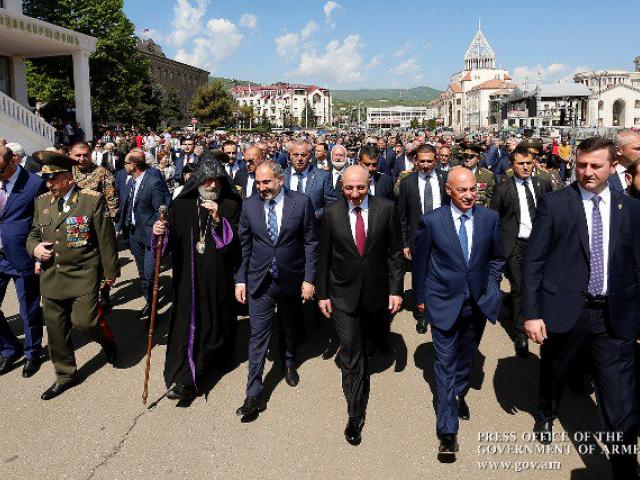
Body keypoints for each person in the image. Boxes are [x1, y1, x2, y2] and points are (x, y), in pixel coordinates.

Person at [522, 137, 640, 478]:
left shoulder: (629, 208)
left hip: (613, 315)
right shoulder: (556, 204)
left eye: (596, 166)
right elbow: (534, 261)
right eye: (582, 165)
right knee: (555, 370)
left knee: (618, 396)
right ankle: (546, 413)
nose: (587, 172)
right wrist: (532, 313)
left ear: (613, 167)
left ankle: (624, 468)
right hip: (565, 309)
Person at [412, 167, 505, 460]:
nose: (468, 195)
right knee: (445, 364)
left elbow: (496, 258)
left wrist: (491, 286)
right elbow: (421, 264)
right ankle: (447, 430)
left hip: (477, 304)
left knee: (466, 359)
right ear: (449, 190)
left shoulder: (489, 219)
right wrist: (421, 299)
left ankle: (458, 392)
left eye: (472, 190)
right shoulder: (432, 222)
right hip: (443, 303)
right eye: (461, 190)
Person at [317, 165, 403, 446]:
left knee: (366, 344)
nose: (354, 194)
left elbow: (393, 254)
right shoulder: (331, 214)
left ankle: (364, 357)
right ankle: (355, 413)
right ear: (341, 187)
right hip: (342, 294)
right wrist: (323, 294)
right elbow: (324, 257)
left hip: (376, 293)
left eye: (360, 188)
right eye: (348, 188)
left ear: (369, 185)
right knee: (352, 351)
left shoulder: (387, 209)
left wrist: (395, 290)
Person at [26, 151, 119, 400]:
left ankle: (107, 342)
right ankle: (66, 375)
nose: (49, 184)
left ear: (68, 177)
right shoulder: (42, 202)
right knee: (56, 330)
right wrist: (34, 248)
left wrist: (110, 273)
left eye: (54, 179)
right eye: (47, 179)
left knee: (85, 322)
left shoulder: (91, 200)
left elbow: (105, 239)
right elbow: (34, 233)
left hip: (83, 274)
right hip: (52, 276)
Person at [153, 152, 242, 401]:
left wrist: (217, 220)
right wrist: (160, 232)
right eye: (207, 180)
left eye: (217, 180)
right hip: (188, 279)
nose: (212, 184)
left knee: (216, 324)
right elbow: (167, 244)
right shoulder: (181, 205)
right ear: (197, 180)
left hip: (218, 279)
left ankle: (217, 357)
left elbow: (234, 244)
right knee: (187, 327)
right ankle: (186, 379)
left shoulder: (230, 205)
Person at [235, 161, 318, 418]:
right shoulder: (249, 205)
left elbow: (311, 243)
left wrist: (309, 279)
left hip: (291, 278)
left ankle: (289, 362)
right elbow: (244, 246)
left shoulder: (301, 203)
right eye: (258, 183)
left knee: (289, 325)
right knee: (258, 335)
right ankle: (254, 392)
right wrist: (240, 279)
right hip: (260, 280)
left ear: (280, 179)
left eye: (266, 182)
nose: (261, 187)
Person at [490, 145, 552, 357]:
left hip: (539, 245)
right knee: (519, 288)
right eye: (521, 163)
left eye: (529, 163)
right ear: (512, 165)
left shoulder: (543, 185)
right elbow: (494, 219)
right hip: (515, 245)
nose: (525, 167)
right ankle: (520, 333)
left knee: (539, 285)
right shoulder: (503, 189)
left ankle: (540, 320)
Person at [0, 146, 45, 378]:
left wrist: (39, 254)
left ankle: (32, 353)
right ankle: (10, 347)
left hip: (22, 255)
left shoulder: (34, 184)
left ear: (13, 161)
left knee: (28, 309)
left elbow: (42, 223)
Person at [398, 144, 448, 334]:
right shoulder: (407, 183)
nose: (426, 165)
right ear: (415, 161)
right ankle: (422, 314)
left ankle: (440, 311)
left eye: (429, 160)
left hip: (442, 237)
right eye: (422, 161)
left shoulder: (445, 180)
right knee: (420, 277)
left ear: (436, 159)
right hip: (417, 240)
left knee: (442, 274)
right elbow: (402, 216)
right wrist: (404, 243)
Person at [118, 150, 171, 317]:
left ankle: (153, 307)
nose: (124, 167)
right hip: (134, 234)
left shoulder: (153, 182)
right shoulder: (130, 182)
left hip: (150, 236)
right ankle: (149, 300)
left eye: (126, 163)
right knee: (142, 272)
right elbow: (126, 206)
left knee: (149, 274)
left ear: (133, 165)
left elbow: (162, 208)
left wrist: (159, 223)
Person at [284, 140, 336, 219]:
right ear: (289, 156)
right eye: (295, 155)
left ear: (310, 156)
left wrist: (317, 214)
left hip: (314, 227)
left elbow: (332, 203)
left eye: (304, 155)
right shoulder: (281, 176)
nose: (300, 158)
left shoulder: (323, 176)